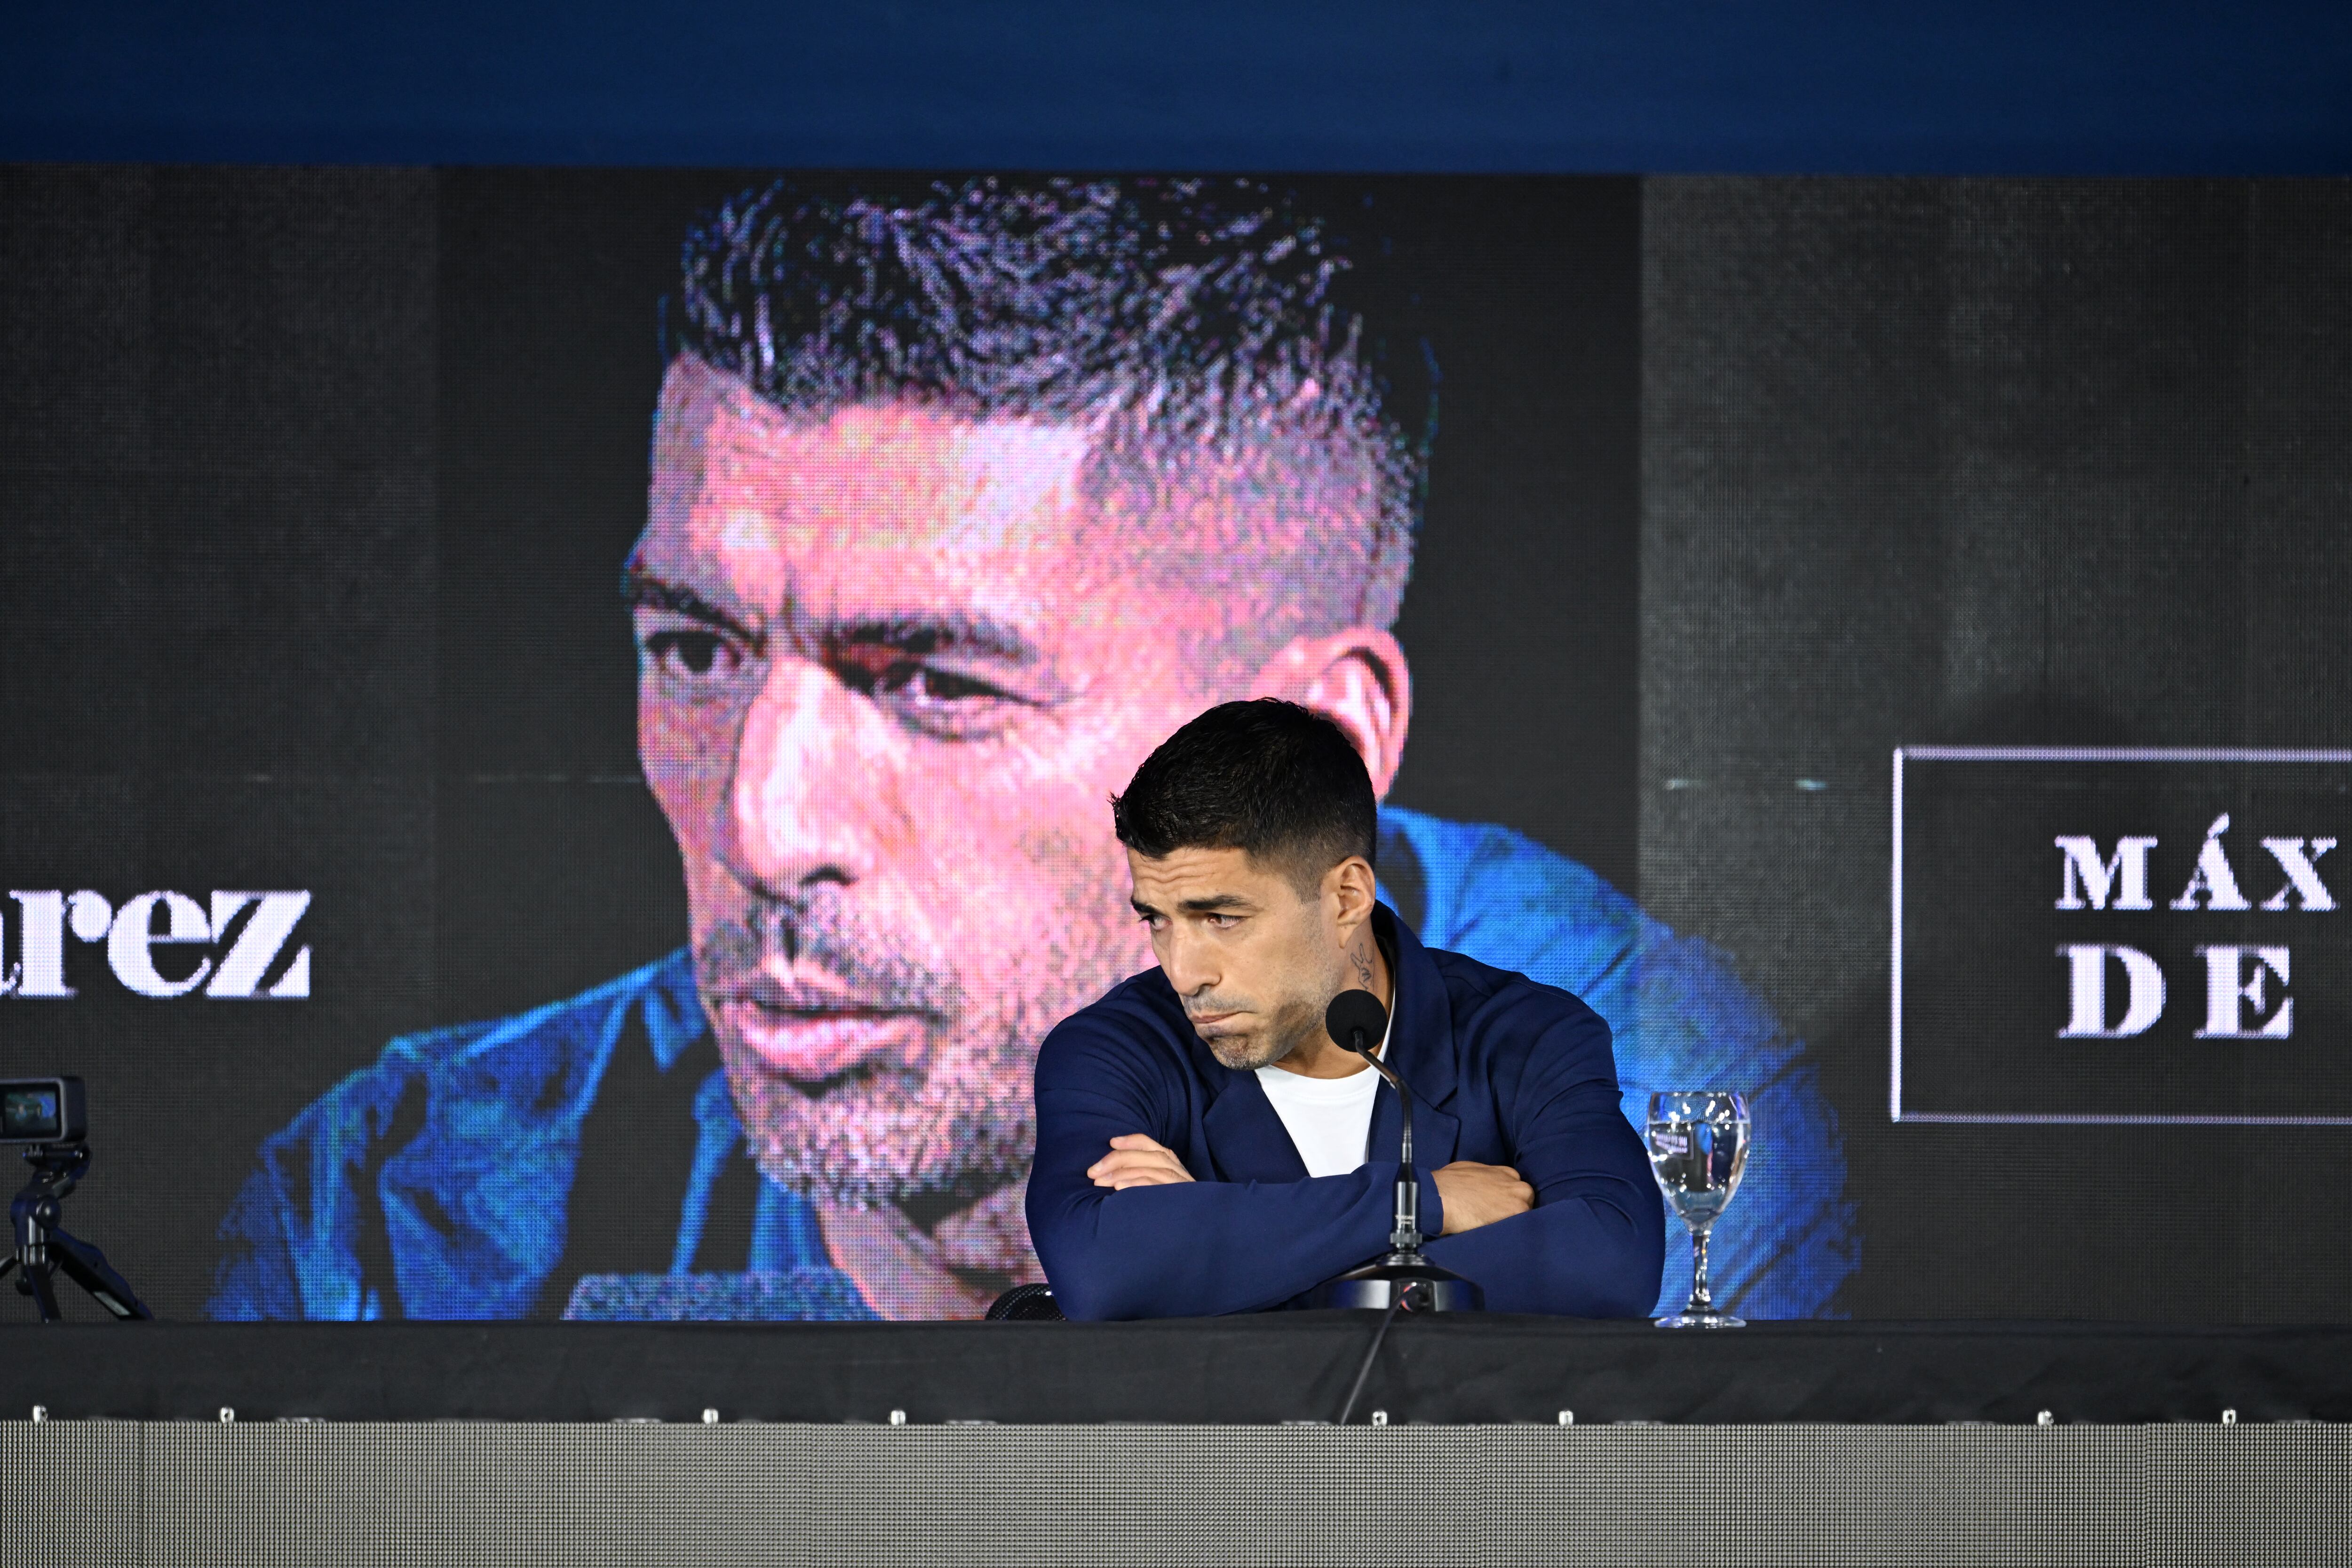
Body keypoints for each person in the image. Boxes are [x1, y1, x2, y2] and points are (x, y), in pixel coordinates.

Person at [209, 175, 1853, 1322]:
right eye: (699, 651)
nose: (763, 824)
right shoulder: (397, 1222)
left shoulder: (1653, 1143)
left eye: (937, 682)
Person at [1031, 700, 1663, 1318]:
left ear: (1347, 897)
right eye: (1158, 920)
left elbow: (1610, 1264)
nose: (1184, 972)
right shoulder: (1112, 1049)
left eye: (1221, 917)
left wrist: (1215, 1269)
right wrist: (1418, 1204)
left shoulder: (1530, 1036)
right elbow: (1102, 1274)